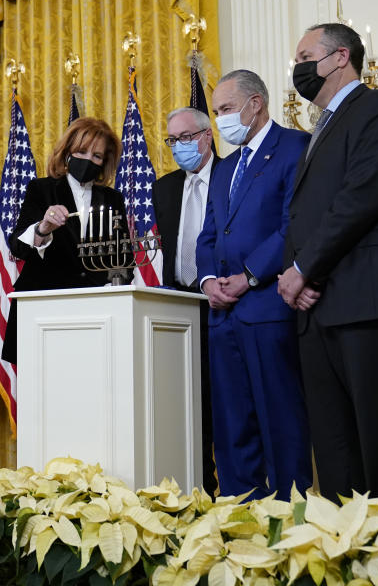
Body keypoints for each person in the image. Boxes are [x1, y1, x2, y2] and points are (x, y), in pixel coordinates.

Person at [278, 23, 378, 500]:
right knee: (334, 447)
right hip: (318, 308)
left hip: (368, 301)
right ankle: (343, 556)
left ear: (340, 56)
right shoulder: (319, 127)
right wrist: (300, 276)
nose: (298, 67)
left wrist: (303, 270)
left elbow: (360, 199)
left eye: (306, 56)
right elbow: (305, 212)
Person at [196, 70, 312, 501]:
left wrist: (247, 278)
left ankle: (289, 517)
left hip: (268, 310)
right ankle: (240, 513)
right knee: (232, 423)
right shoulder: (225, 168)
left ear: (256, 104)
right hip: (222, 315)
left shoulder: (295, 148)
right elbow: (208, 234)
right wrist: (209, 280)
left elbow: (291, 227)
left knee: (279, 418)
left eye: (226, 110)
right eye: (217, 111)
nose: (221, 120)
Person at [2, 116, 128, 365]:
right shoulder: (41, 189)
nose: (88, 160)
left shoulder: (113, 199)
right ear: (68, 152)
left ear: (105, 163)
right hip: (44, 307)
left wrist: (112, 290)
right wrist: (43, 227)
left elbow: (123, 259)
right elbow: (18, 246)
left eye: (97, 156)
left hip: (95, 312)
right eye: (82, 151)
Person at [153, 106, 218, 494]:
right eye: (173, 140)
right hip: (177, 307)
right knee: (185, 407)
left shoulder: (232, 175)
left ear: (208, 136)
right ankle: (197, 491)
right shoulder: (164, 187)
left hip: (223, 302)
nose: (179, 146)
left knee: (222, 404)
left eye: (187, 138)